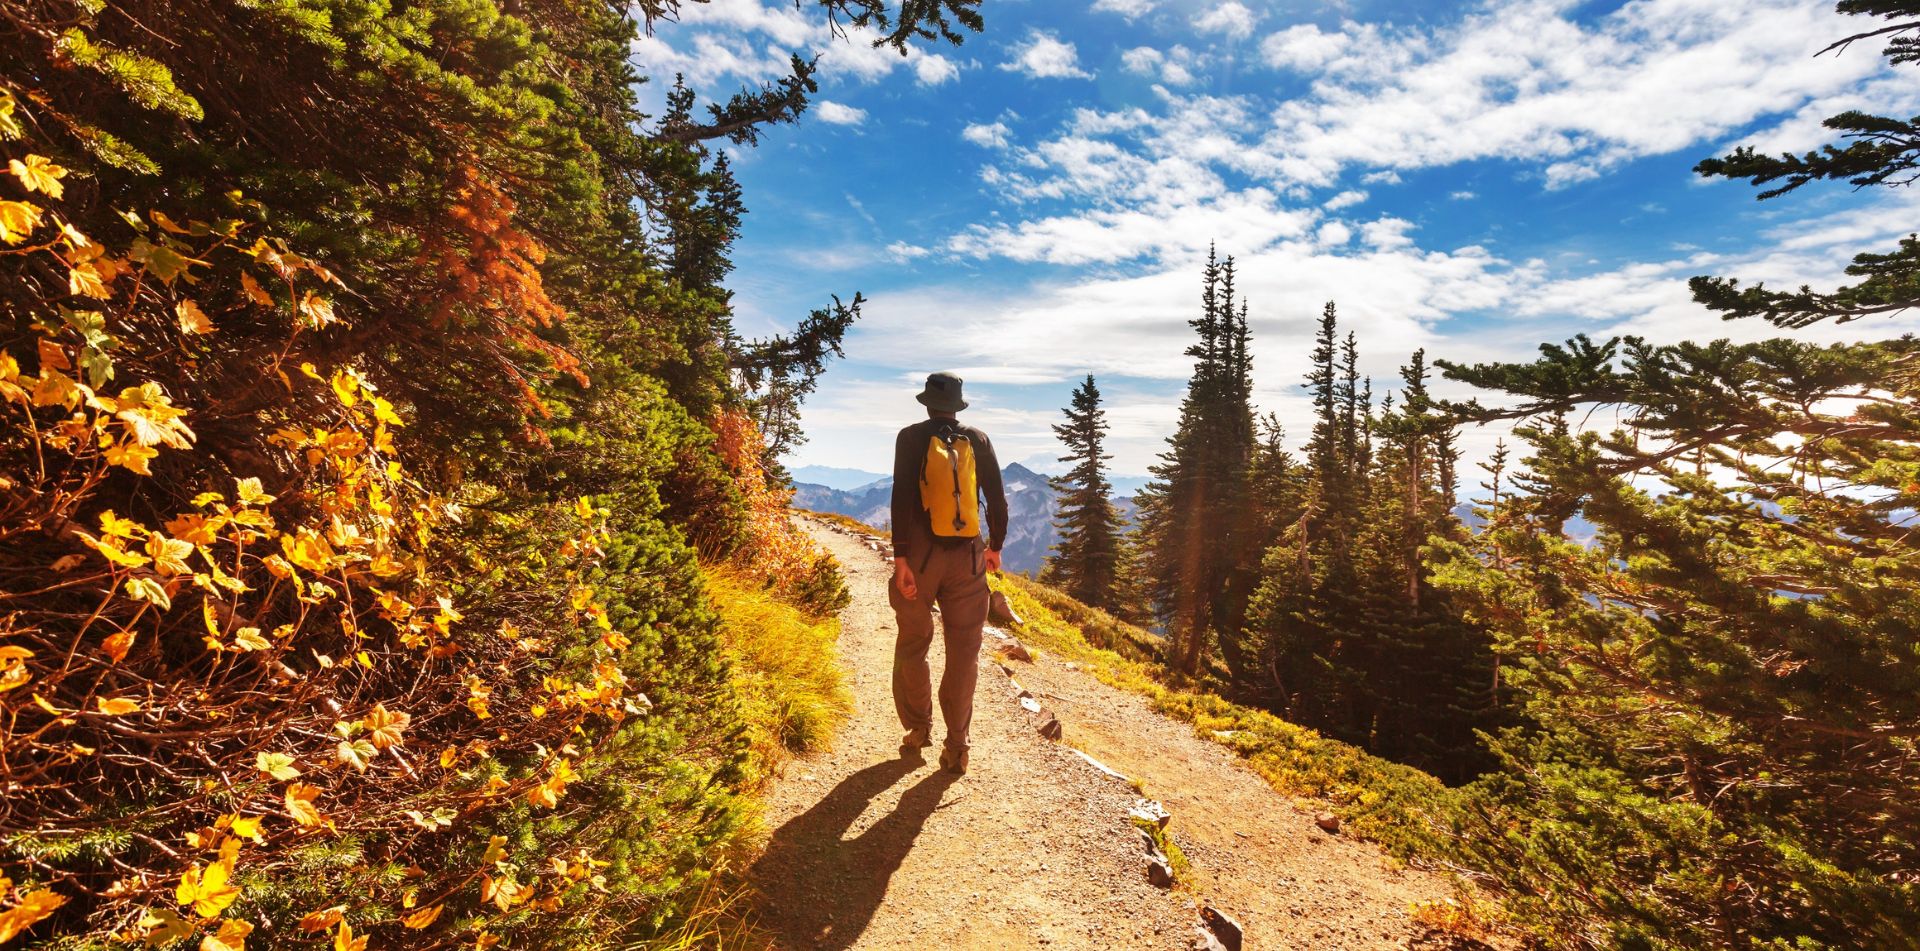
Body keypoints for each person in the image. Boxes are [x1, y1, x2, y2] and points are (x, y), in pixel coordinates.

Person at [889, 371, 1008, 775]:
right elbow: (996, 497)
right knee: (964, 653)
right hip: (968, 558)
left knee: (913, 643)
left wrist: (901, 559)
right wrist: (995, 547)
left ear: (927, 403)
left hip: (921, 557)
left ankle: (918, 729)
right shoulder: (978, 439)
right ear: (959, 405)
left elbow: (901, 497)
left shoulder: (910, 437)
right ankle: (957, 746)